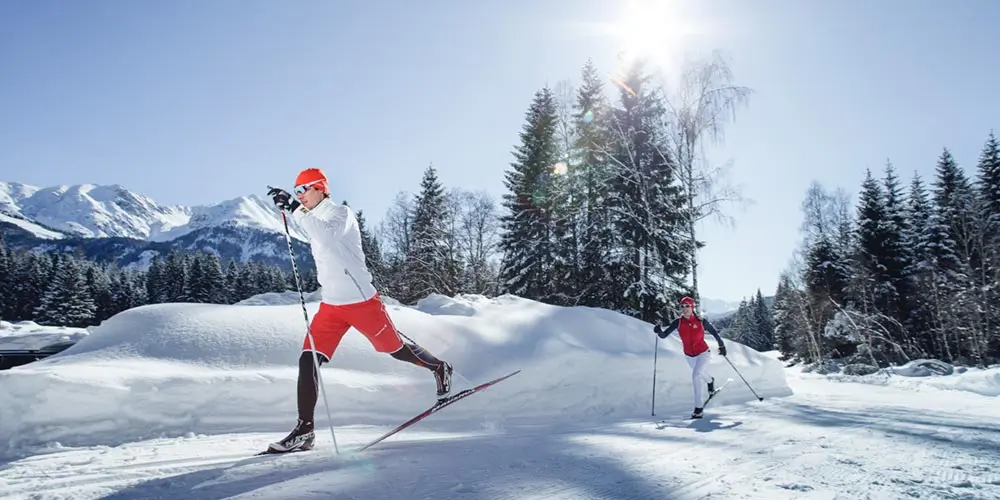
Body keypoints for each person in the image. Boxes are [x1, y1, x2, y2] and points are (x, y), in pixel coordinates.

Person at [264, 168, 453, 453]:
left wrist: (293, 208)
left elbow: (326, 237)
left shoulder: (341, 214)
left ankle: (439, 367)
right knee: (307, 359)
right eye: (296, 190)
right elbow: (315, 233)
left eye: (304, 189)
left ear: (321, 188)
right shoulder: (310, 218)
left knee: (396, 349)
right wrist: (293, 211)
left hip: (361, 302)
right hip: (331, 306)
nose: (299, 194)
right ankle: (305, 430)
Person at [653, 296, 727, 419]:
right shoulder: (678, 322)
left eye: (687, 305)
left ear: (692, 307)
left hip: (703, 353)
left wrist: (722, 345)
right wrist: (658, 331)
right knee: (700, 373)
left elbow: (714, 332)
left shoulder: (701, 321)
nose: (685, 308)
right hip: (689, 356)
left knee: (696, 375)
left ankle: (698, 408)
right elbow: (664, 335)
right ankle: (710, 381)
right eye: (682, 306)